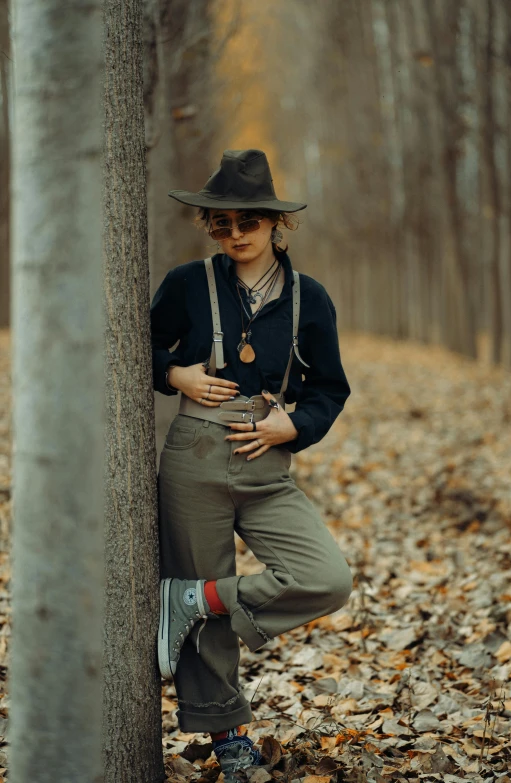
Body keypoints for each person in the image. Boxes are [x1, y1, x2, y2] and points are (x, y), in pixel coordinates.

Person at [150, 149, 353, 781]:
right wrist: (175, 372)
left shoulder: (309, 298)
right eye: (222, 223)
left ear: (276, 226)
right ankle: (229, 737)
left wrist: (296, 424)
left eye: (249, 222)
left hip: (267, 468)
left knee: (326, 577)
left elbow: (330, 388)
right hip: (195, 460)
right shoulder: (189, 284)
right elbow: (139, 343)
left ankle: (198, 598)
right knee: (205, 622)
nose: (235, 234)